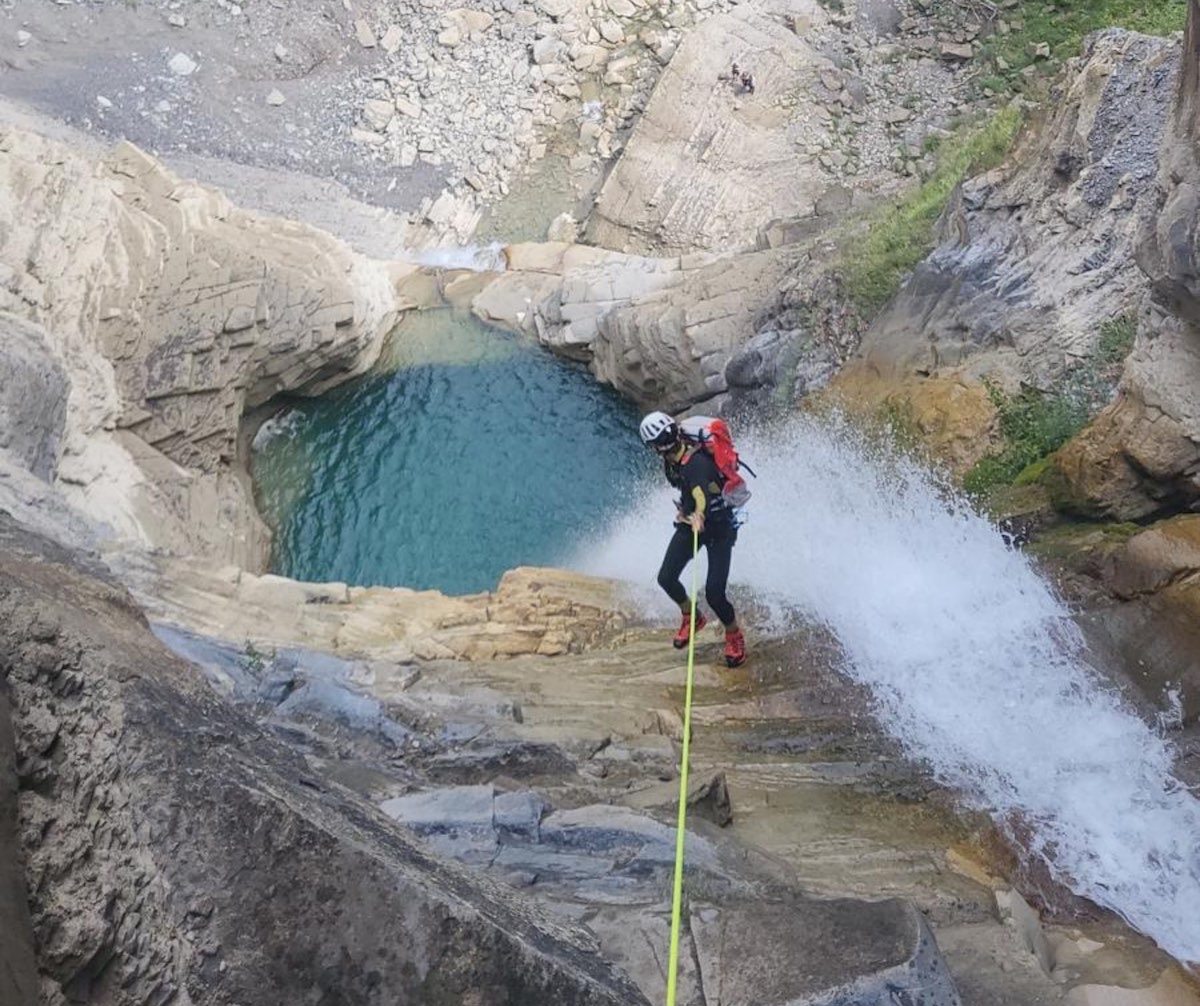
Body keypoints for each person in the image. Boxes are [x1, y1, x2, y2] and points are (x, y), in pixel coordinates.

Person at [639, 411, 747, 668]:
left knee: (715, 594)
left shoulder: (695, 463)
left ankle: (734, 634)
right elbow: (691, 492)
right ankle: (692, 616)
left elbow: (701, 495)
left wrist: (698, 513)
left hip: (719, 528)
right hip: (693, 523)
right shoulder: (673, 460)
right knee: (666, 577)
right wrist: (687, 512)